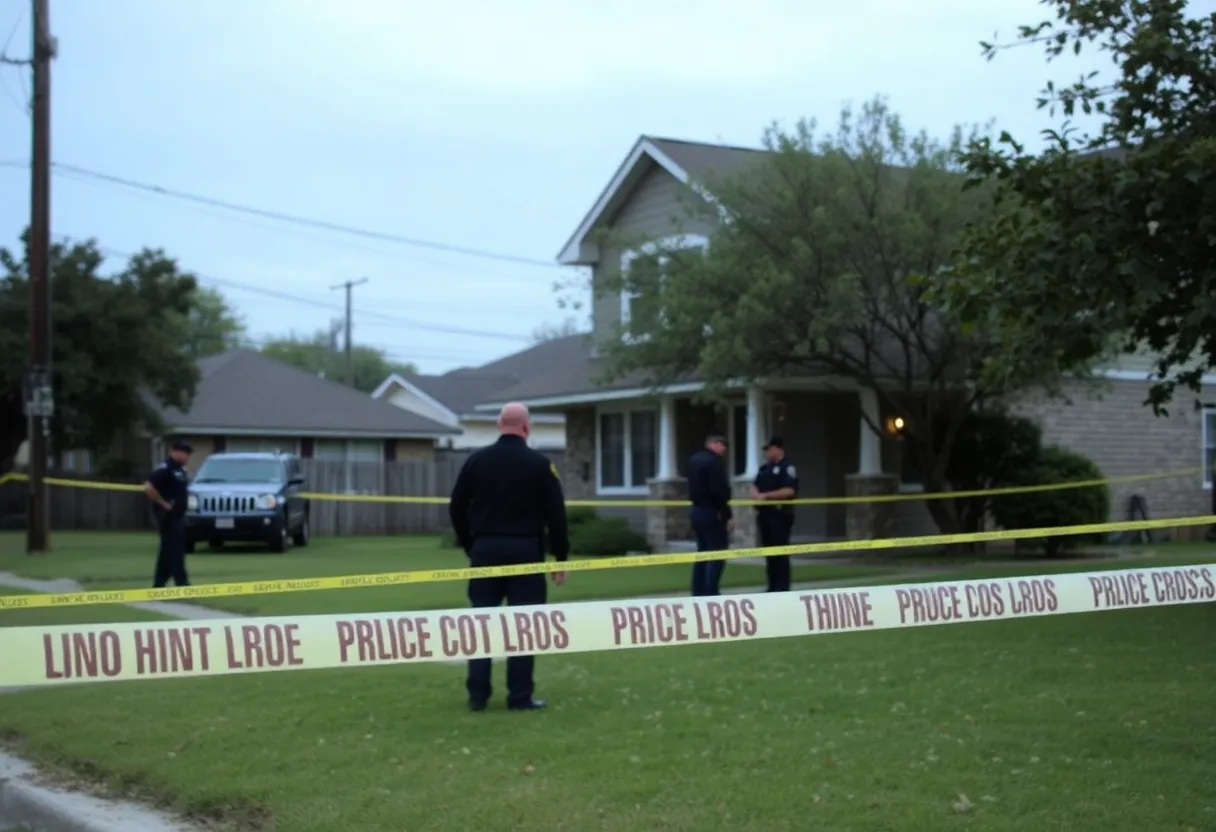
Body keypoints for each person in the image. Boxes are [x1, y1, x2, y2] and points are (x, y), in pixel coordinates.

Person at [448, 402, 570, 713]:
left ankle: (478, 695)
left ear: (500, 425)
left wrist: (470, 545)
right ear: (527, 428)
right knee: (524, 626)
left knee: (481, 623)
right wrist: (560, 557)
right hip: (525, 551)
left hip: (485, 550)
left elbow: (456, 507)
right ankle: (519, 696)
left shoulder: (476, 462)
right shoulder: (540, 465)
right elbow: (556, 516)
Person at [749, 436, 799, 592]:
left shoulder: (787, 467)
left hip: (780, 515)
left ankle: (782, 587)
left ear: (778, 449)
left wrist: (766, 496)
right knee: (769, 552)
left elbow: (789, 490)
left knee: (780, 553)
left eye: (769, 449)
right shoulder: (764, 469)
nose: (767, 452)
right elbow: (754, 485)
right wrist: (755, 493)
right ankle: (772, 586)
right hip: (765, 515)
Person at [686, 431, 733, 596]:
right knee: (717, 553)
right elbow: (718, 491)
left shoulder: (694, 460)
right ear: (715, 444)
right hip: (711, 512)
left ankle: (698, 591)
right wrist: (726, 515)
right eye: (723, 446)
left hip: (696, 510)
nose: (724, 450)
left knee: (702, 552)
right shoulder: (713, 462)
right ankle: (711, 591)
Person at [143, 440, 193, 589]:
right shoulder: (165, 468)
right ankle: (182, 583)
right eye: (185, 454)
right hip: (167, 516)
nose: (187, 457)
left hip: (178, 515)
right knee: (175, 549)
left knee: (167, 549)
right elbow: (148, 487)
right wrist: (163, 503)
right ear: (175, 452)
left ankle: (159, 582)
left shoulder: (180, 470)